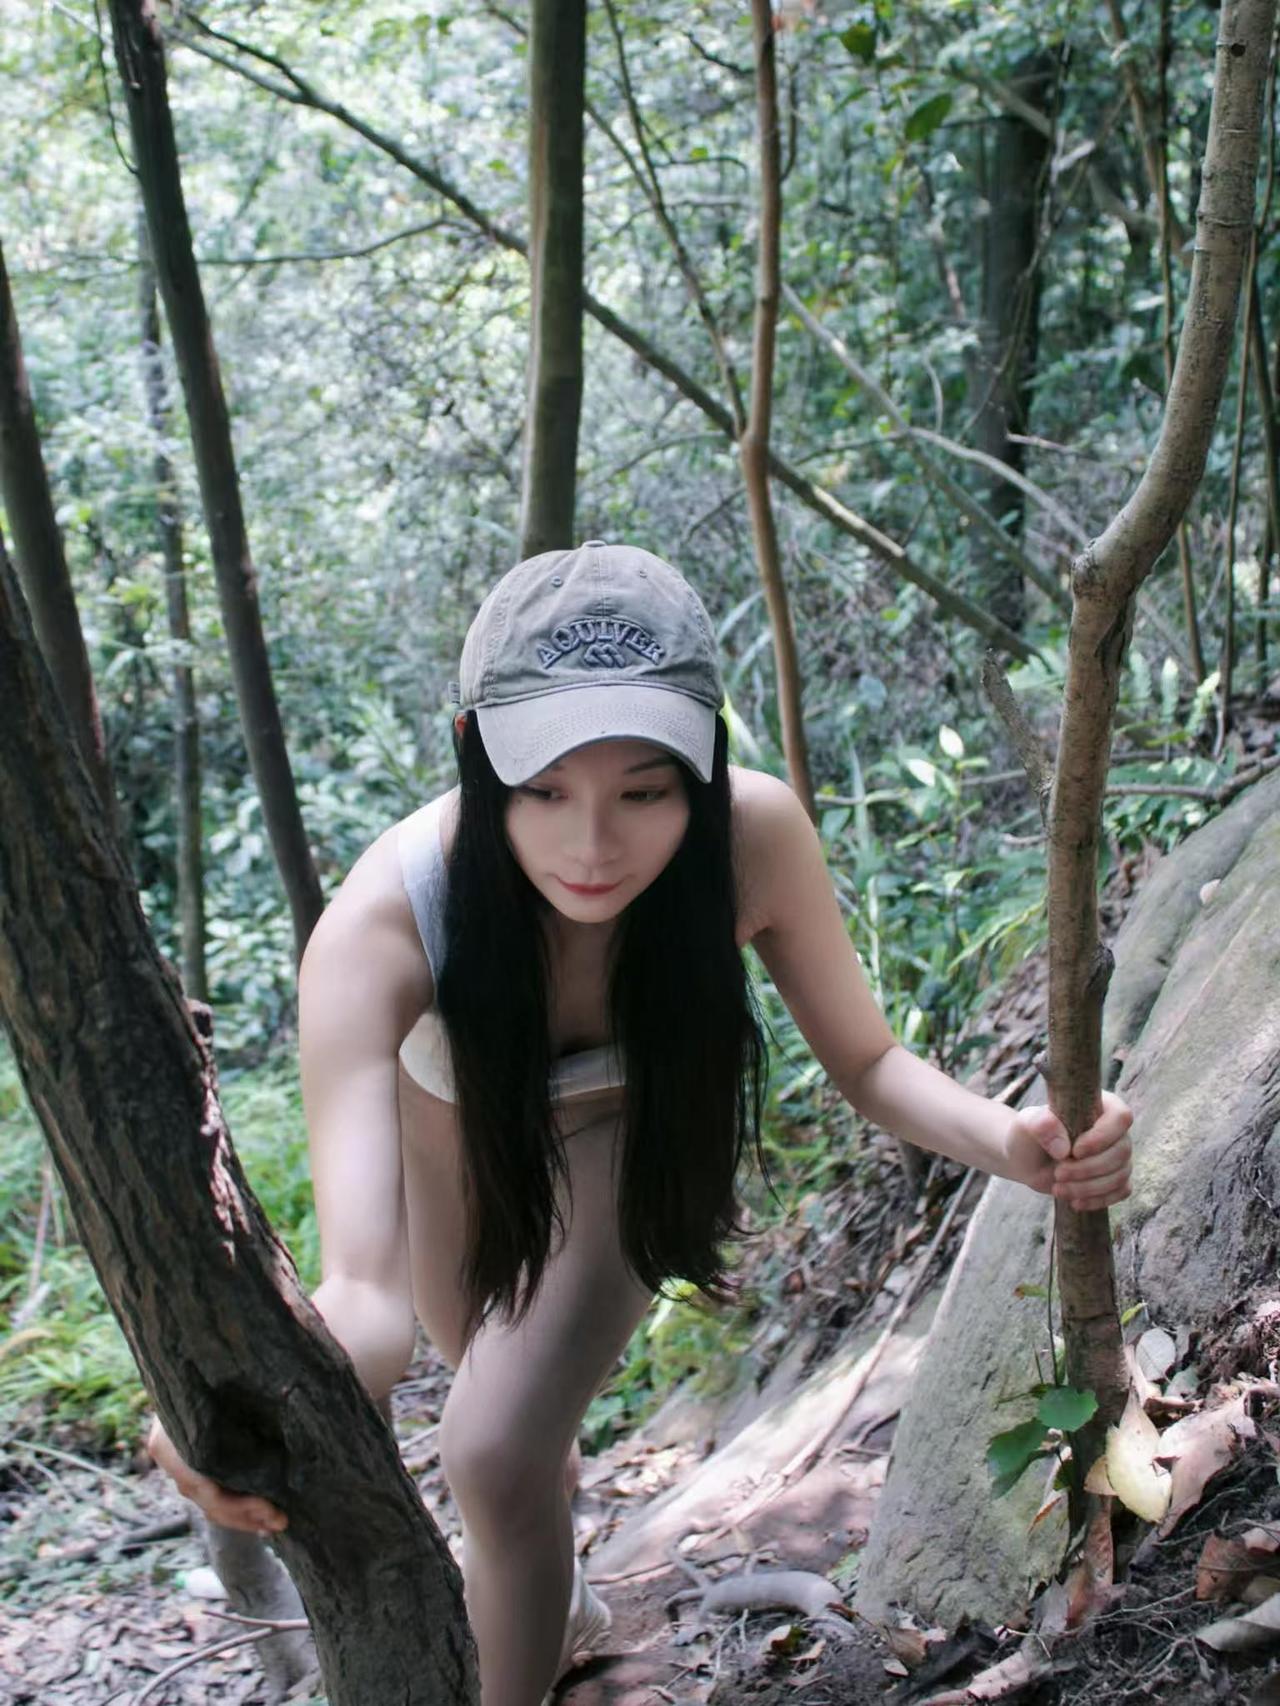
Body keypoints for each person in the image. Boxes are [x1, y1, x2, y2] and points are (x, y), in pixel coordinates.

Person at [148, 540, 1133, 1705]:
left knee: (492, 1448)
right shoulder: (384, 921)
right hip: (456, 1138)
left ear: (703, 762)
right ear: (474, 751)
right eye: (545, 789)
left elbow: (868, 1062)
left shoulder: (751, 838)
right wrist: (235, 1407)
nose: (592, 844)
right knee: (499, 1405)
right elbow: (365, 1295)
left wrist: (1012, 1141)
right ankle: (554, 1593)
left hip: (634, 1132)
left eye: (644, 790)